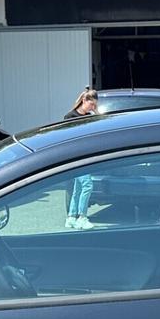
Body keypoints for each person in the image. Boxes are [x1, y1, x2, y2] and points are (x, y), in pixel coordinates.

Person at [64, 88, 98, 229]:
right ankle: (82, 217)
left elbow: (100, 126)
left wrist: (96, 113)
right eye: (92, 104)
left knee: (78, 187)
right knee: (87, 185)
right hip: (76, 156)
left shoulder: (89, 116)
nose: (93, 107)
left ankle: (71, 217)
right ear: (84, 101)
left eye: (95, 105)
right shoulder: (69, 117)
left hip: (85, 155)